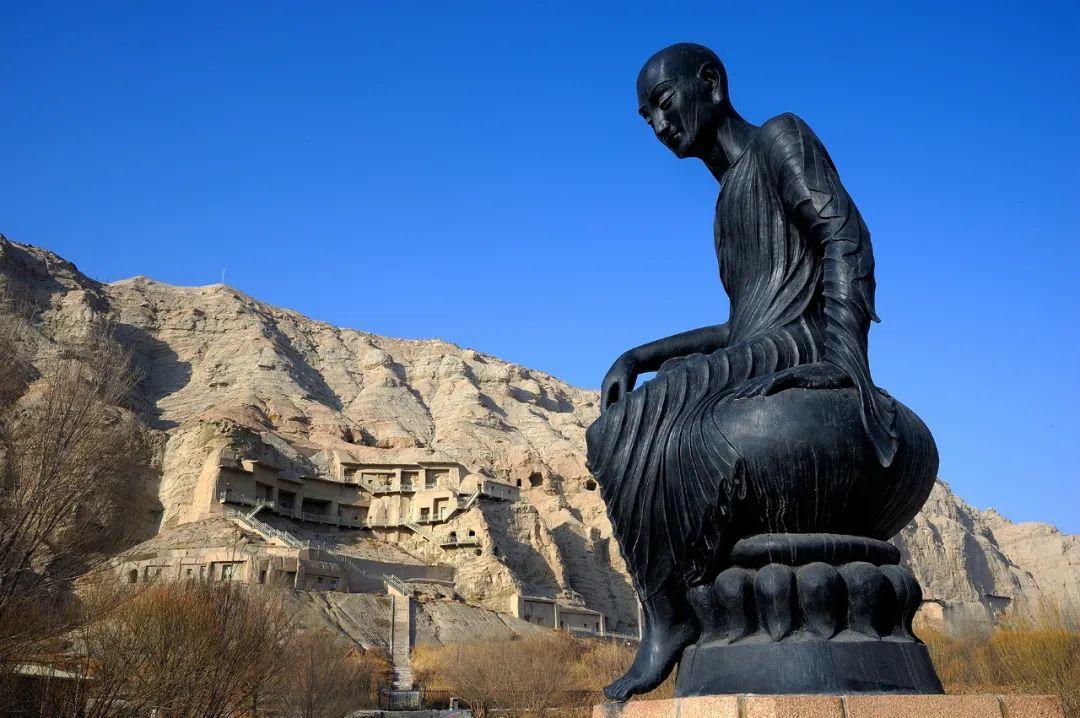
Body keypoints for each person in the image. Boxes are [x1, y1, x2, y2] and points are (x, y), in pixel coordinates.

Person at [587, 43, 908, 700]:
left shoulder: (781, 138)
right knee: (619, 427)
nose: (659, 125)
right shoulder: (724, 203)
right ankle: (669, 609)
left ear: (710, 83)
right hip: (760, 346)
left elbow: (844, 238)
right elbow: (742, 324)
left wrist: (842, 356)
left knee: (649, 419)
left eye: (664, 102)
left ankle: (669, 616)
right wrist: (641, 355)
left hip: (803, 344)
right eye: (647, 117)